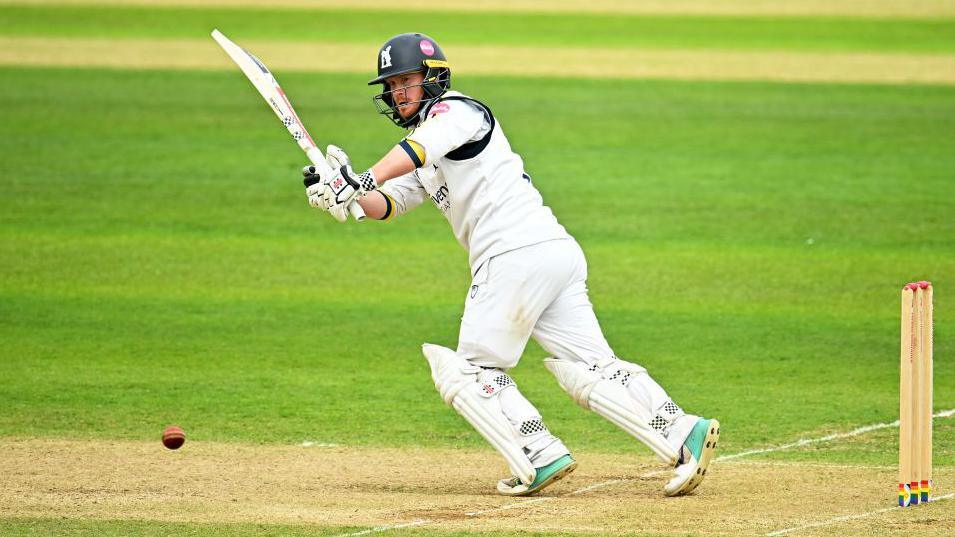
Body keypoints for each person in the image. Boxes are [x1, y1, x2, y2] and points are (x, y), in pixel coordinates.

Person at [302, 33, 719, 497]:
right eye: (392, 84)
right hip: (549, 253)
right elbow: (390, 202)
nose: (398, 92)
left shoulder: (457, 112)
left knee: (470, 371)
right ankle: (685, 430)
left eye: (407, 81)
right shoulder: (422, 151)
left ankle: (539, 453)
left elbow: (416, 152)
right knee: (594, 365)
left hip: (512, 255)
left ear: (433, 78)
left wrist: (359, 178)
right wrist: (348, 199)